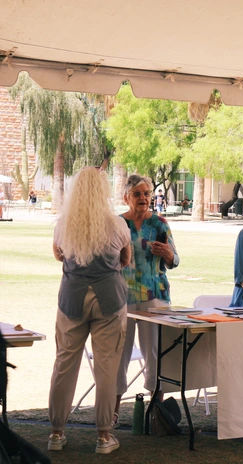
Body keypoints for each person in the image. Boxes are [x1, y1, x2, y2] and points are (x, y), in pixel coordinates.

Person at [48, 166, 131, 454]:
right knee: (106, 365)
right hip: (109, 298)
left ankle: (57, 432)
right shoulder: (116, 224)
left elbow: (59, 255)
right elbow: (125, 259)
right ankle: (104, 436)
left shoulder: (64, 224)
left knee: (64, 363)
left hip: (71, 297)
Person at [114, 174, 180, 425]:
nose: (143, 198)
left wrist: (168, 253)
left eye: (147, 194)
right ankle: (113, 412)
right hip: (123, 298)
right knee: (119, 353)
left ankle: (157, 414)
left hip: (156, 298)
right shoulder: (117, 224)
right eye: (137, 194)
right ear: (126, 197)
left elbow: (175, 261)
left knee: (155, 354)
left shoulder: (160, 224)